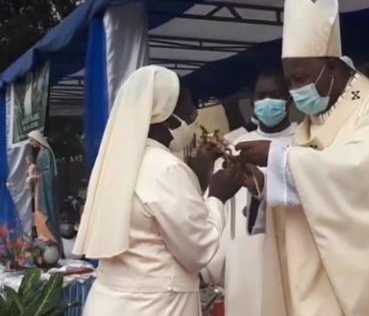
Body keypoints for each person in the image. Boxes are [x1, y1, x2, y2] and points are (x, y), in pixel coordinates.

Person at [236, 0, 369, 315]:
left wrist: (279, 159)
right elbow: (309, 192)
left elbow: (358, 177)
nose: (295, 90)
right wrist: (264, 184)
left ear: (332, 66)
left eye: (300, 78)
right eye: (291, 82)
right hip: (311, 288)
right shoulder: (312, 120)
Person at [73, 66, 242, 316]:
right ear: (165, 114)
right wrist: (217, 196)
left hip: (109, 300)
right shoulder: (166, 168)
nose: (193, 116)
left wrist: (199, 179)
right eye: (188, 107)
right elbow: (198, 250)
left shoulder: (116, 162)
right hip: (154, 305)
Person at [201, 68, 297, 316]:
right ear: (252, 101)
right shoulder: (235, 148)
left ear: (288, 98)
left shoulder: (304, 143)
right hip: (244, 258)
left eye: (274, 95)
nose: (267, 102)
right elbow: (220, 207)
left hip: (292, 253)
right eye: (261, 95)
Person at [28, 130, 62, 253]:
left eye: (32, 140)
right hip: (40, 188)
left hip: (44, 189)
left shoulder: (46, 153)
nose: (31, 143)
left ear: (37, 140)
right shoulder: (40, 153)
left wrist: (37, 176)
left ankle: (50, 238)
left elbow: (48, 173)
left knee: (44, 211)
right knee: (38, 211)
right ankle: (43, 235)